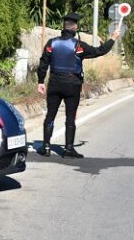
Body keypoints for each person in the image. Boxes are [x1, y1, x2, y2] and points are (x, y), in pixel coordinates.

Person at [37, 12, 121, 158]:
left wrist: (40, 81)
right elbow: (100, 51)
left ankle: (46, 147)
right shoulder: (79, 46)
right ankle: (69, 149)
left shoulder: (52, 43)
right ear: (75, 27)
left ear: (63, 27)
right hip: (72, 85)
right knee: (70, 117)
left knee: (50, 115)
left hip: (54, 84)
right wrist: (113, 38)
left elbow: (43, 63)